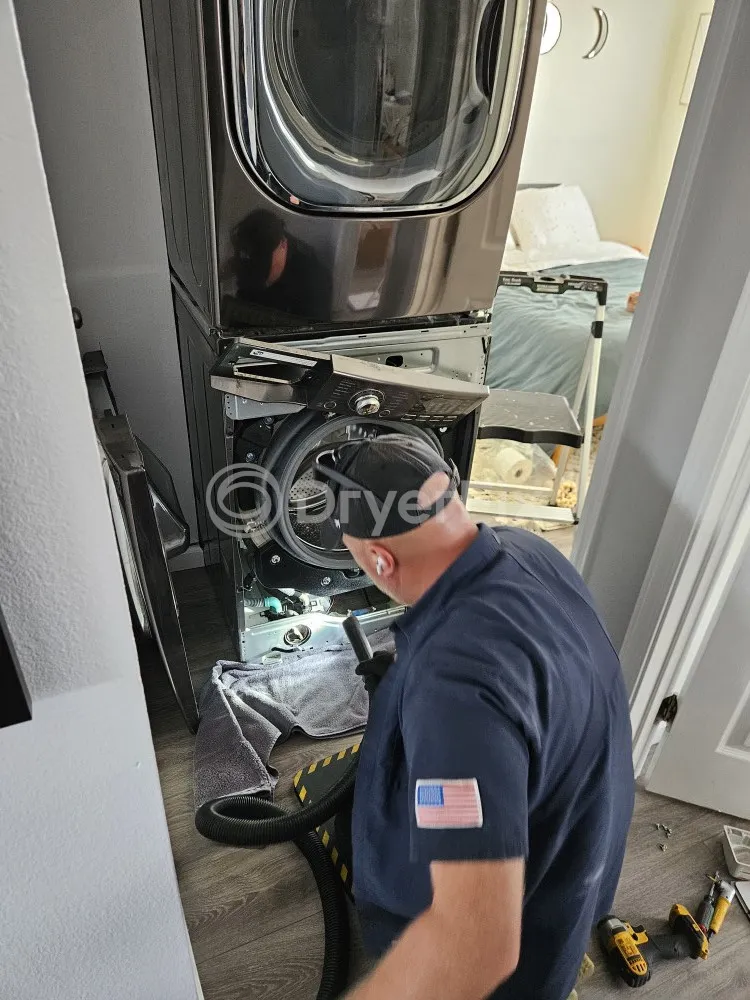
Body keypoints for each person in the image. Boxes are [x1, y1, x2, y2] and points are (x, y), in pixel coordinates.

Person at [313, 433, 635, 1000]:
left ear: (380, 560)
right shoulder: (526, 549)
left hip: (523, 934)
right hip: (583, 835)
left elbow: (473, 949)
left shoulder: (452, 689)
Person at [226, 209, 331, 321]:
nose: (258, 271)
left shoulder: (314, 280)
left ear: (283, 245)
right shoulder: (247, 260)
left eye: (264, 265)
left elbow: (312, 332)